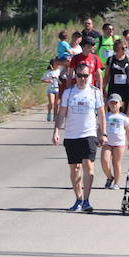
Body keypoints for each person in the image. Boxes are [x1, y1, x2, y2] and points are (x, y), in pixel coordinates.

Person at [52, 63, 107, 213]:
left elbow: (101, 114)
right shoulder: (69, 93)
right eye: (80, 75)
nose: (83, 78)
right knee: (75, 168)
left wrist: (103, 133)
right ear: (75, 76)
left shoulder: (95, 92)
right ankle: (78, 198)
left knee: (88, 167)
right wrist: (56, 130)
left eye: (85, 75)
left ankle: (87, 201)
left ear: (90, 77)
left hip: (89, 134)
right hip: (71, 135)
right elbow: (62, 113)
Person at [101, 94, 129, 189]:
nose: (113, 105)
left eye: (116, 103)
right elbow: (100, 128)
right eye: (111, 103)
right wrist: (100, 136)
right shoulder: (105, 116)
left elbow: (128, 130)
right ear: (108, 104)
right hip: (107, 142)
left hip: (119, 143)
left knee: (116, 162)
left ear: (121, 104)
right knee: (104, 160)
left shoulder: (124, 117)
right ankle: (110, 177)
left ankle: (116, 183)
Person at [105, 37, 129, 110]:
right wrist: (103, 87)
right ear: (117, 49)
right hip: (114, 87)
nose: (125, 50)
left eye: (126, 47)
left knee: (127, 104)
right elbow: (107, 75)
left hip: (126, 86)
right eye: (123, 48)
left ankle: (127, 119)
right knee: (112, 105)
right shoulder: (111, 59)